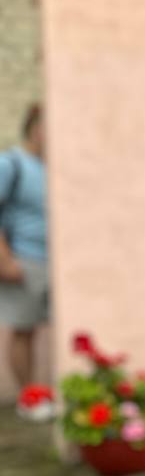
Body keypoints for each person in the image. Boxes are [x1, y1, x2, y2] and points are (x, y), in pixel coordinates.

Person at [0, 104, 48, 390]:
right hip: (23, 258)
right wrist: (5, 259)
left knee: (42, 328)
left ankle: (41, 393)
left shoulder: (54, 166)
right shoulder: (11, 164)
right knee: (23, 329)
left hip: (54, 260)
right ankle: (27, 396)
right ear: (34, 128)